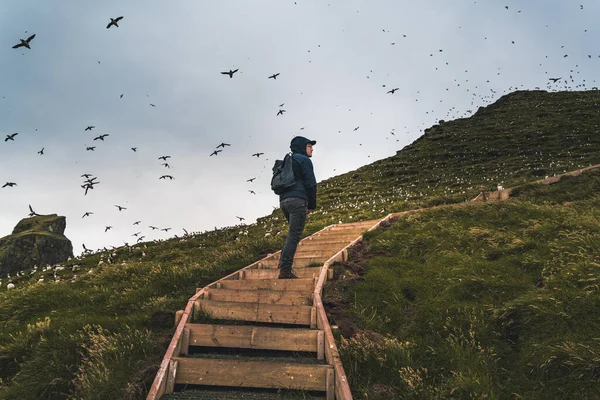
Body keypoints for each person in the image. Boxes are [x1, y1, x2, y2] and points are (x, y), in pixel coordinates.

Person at [277, 136, 317, 279]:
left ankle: (283, 264)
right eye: (309, 145)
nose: (312, 148)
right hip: (298, 200)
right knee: (294, 235)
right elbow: (311, 183)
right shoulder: (304, 160)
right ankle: (285, 270)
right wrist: (311, 204)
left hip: (284, 202)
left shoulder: (288, 160)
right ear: (301, 147)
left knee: (292, 234)